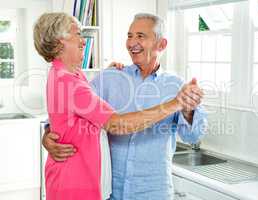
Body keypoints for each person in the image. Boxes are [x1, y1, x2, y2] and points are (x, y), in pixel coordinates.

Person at [34, 12, 198, 200]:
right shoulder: (101, 79)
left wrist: (187, 109)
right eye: (130, 36)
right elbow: (109, 122)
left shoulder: (178, 86)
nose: (132, 42)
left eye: (140, 36)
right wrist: (48, 134)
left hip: (152, 191)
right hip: (100, 189)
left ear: (161, 44)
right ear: (59, 42)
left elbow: (193, 135)